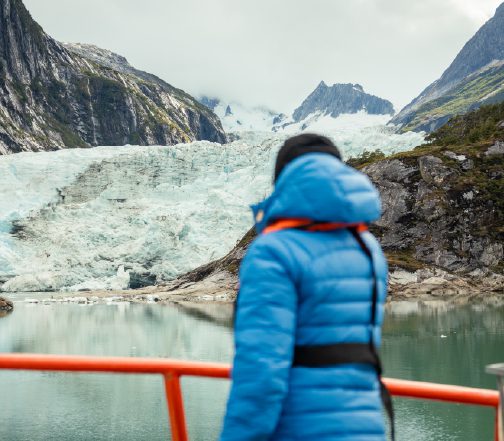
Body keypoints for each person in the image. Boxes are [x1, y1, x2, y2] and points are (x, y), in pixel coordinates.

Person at [220, 133, 390, 441]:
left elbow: (261, 369)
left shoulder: (273, 251)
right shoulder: (368, 248)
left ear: (284, 180)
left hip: (299, 428)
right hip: (365, 427)